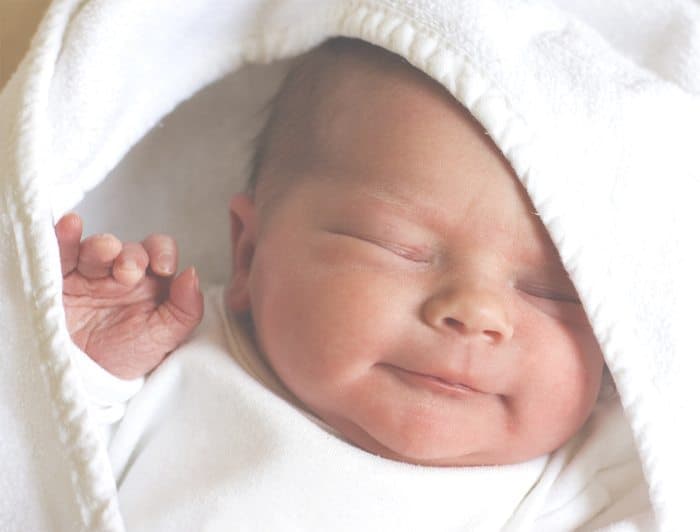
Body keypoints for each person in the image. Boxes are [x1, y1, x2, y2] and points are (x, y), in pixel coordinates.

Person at [55, 38, 641, 530]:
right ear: (250, 252)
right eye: (396, 247)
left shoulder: (592, 476)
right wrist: (77, 364)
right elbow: (37, 466)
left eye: (554, 292)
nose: (475, 310)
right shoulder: (170, 353)